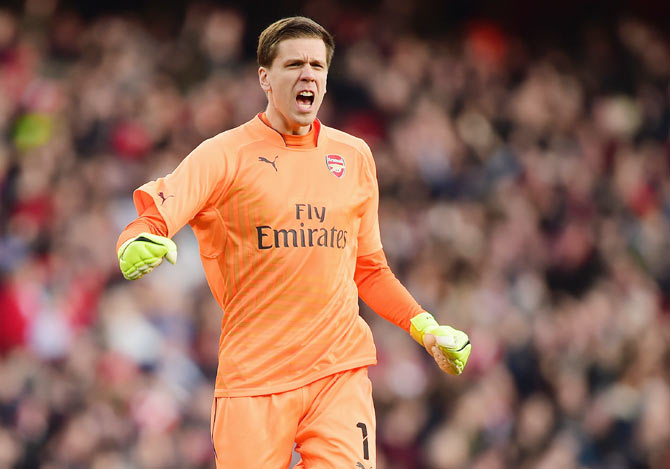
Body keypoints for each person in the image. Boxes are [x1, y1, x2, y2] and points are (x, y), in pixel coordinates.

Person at [116, 16, 471, 468]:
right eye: (294, 65)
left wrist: (425, 327)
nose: (308, 75)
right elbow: (153, 218)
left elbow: (369, 269)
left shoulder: (355, 156)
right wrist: (136, 242)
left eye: (317, 66)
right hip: (254, 380)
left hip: (337, 371)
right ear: (265, 78)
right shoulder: (224, 154)